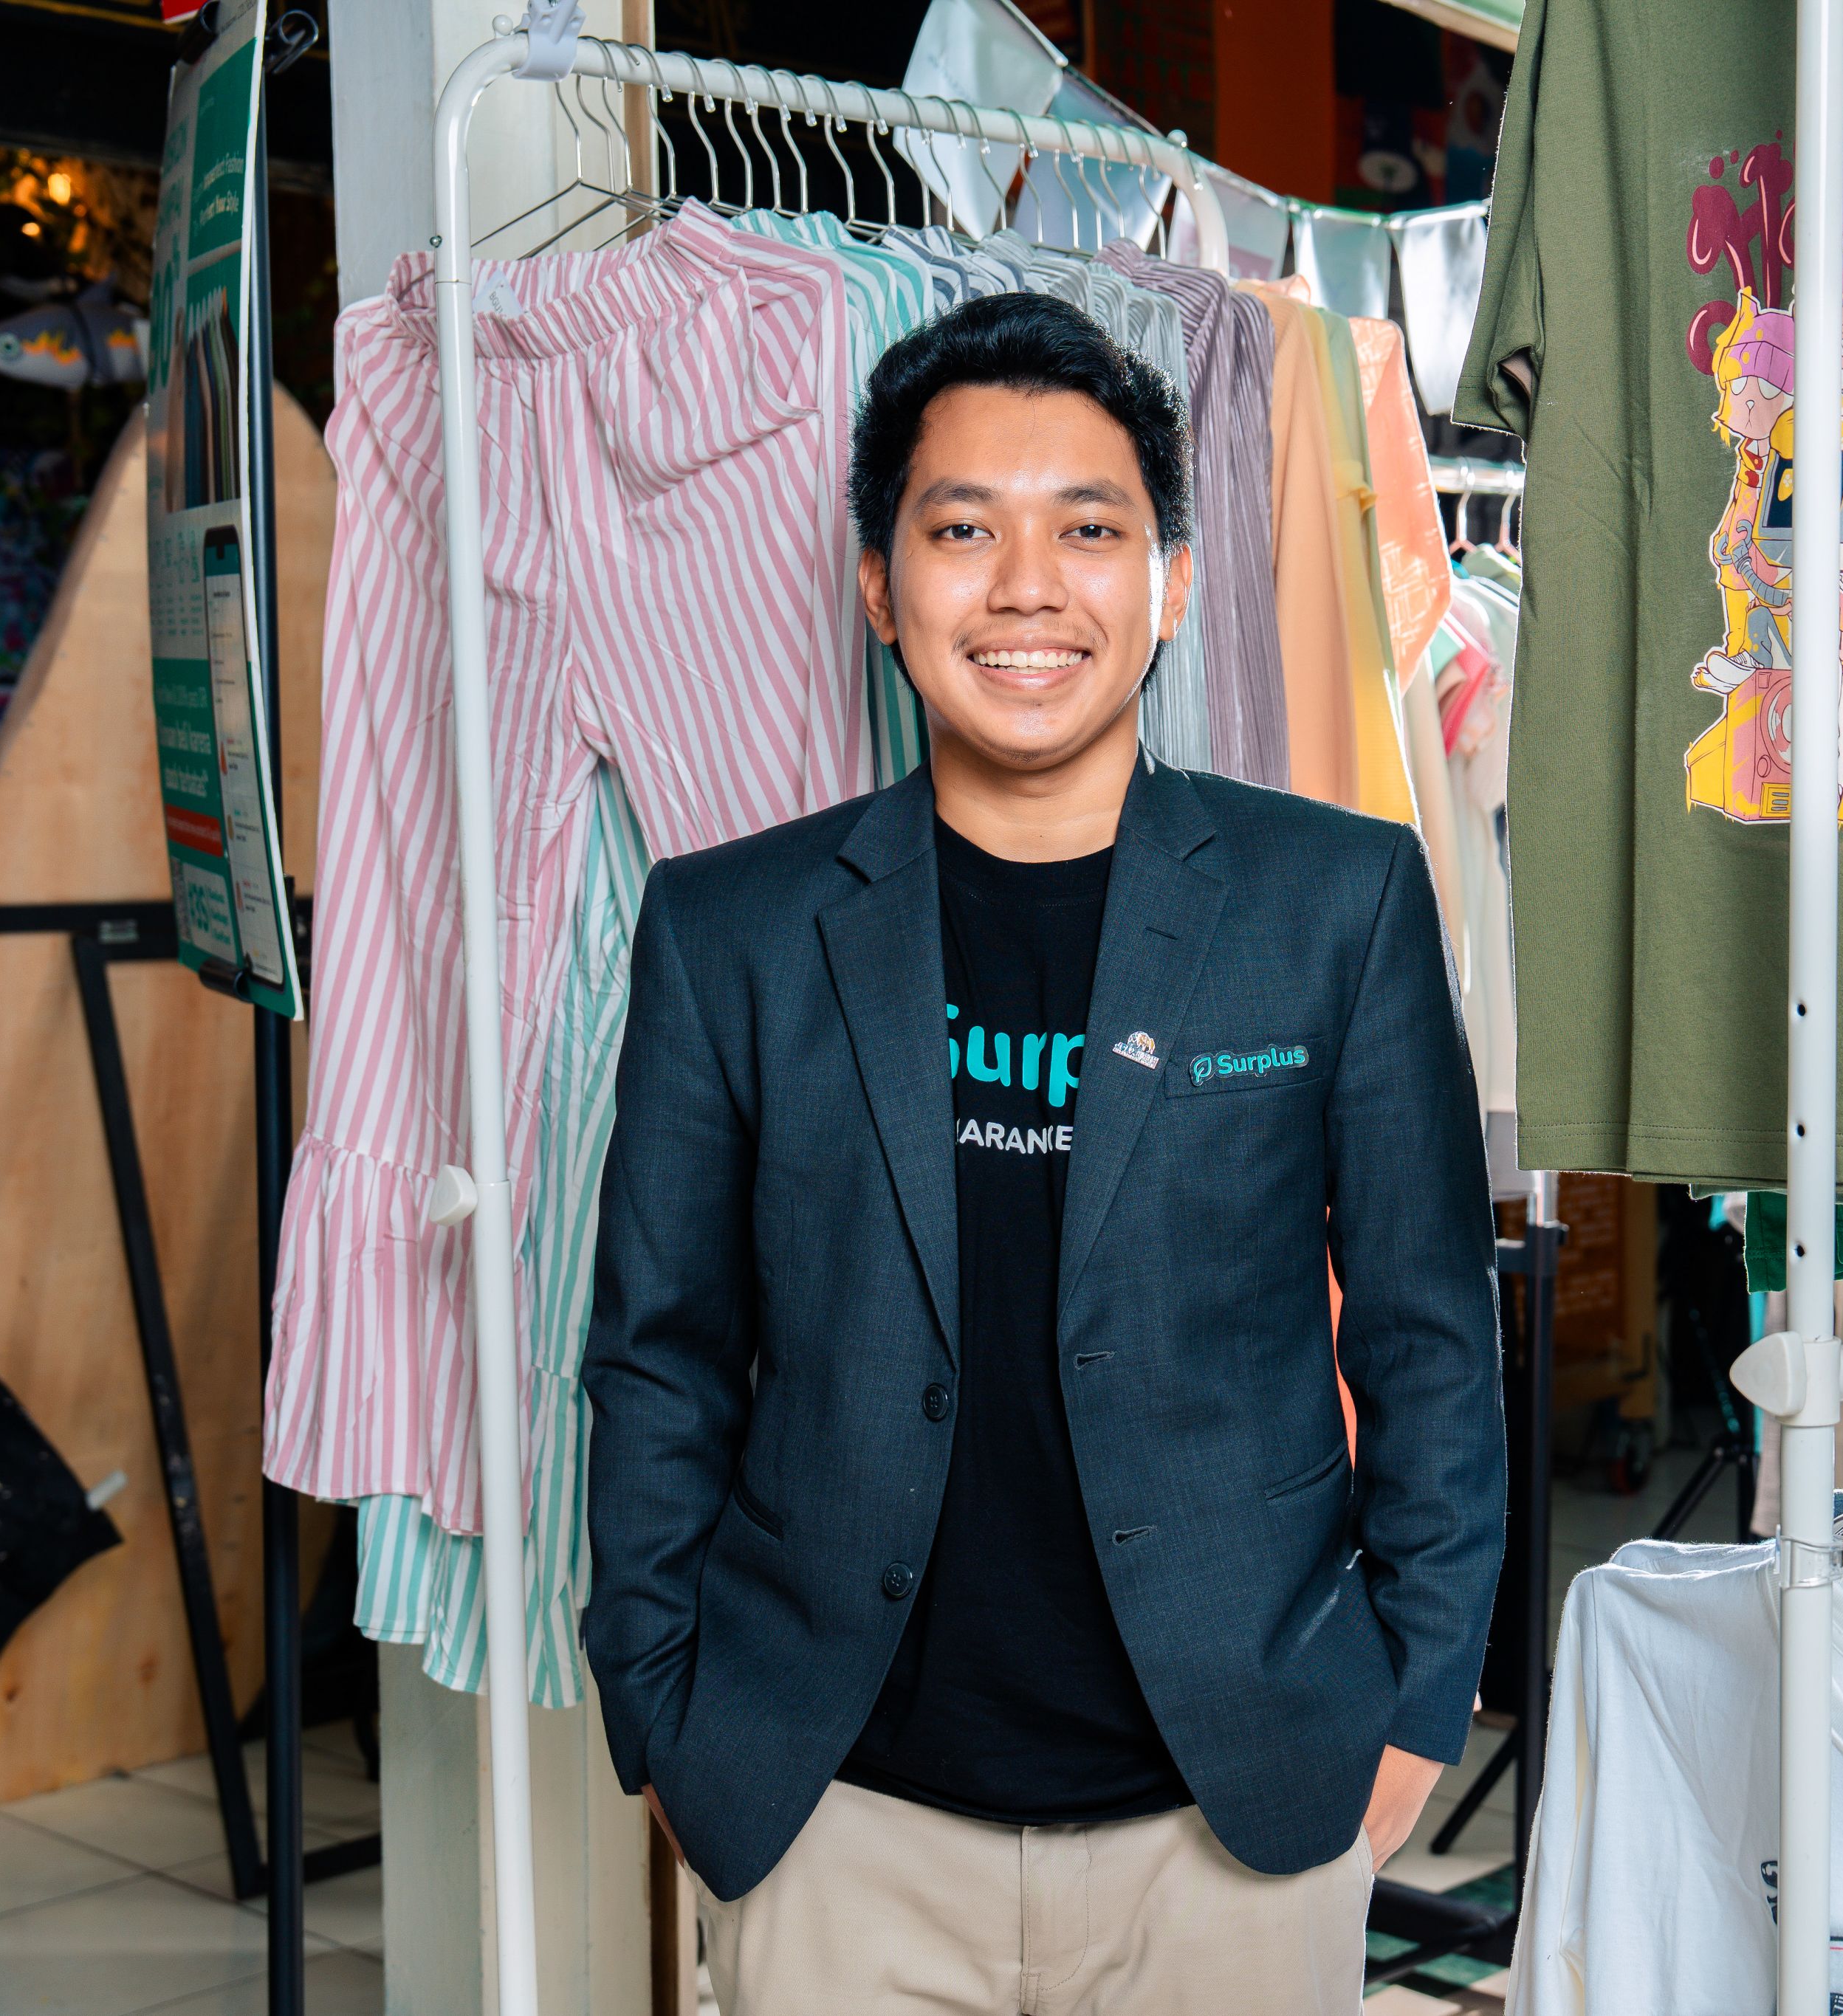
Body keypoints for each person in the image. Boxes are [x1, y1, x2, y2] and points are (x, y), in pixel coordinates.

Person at [580, 291, 1506, 2015]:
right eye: (960, 530)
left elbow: (1426, 1335)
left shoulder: (1335, 902)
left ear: (1168, 576)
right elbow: (658, 1356)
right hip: (838, 1813)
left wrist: (1410, 1704)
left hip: (1232, 1808)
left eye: (1089, 529)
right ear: (878, 584)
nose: (1025, 587)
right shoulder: (733, 930)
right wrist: (659, 1709)